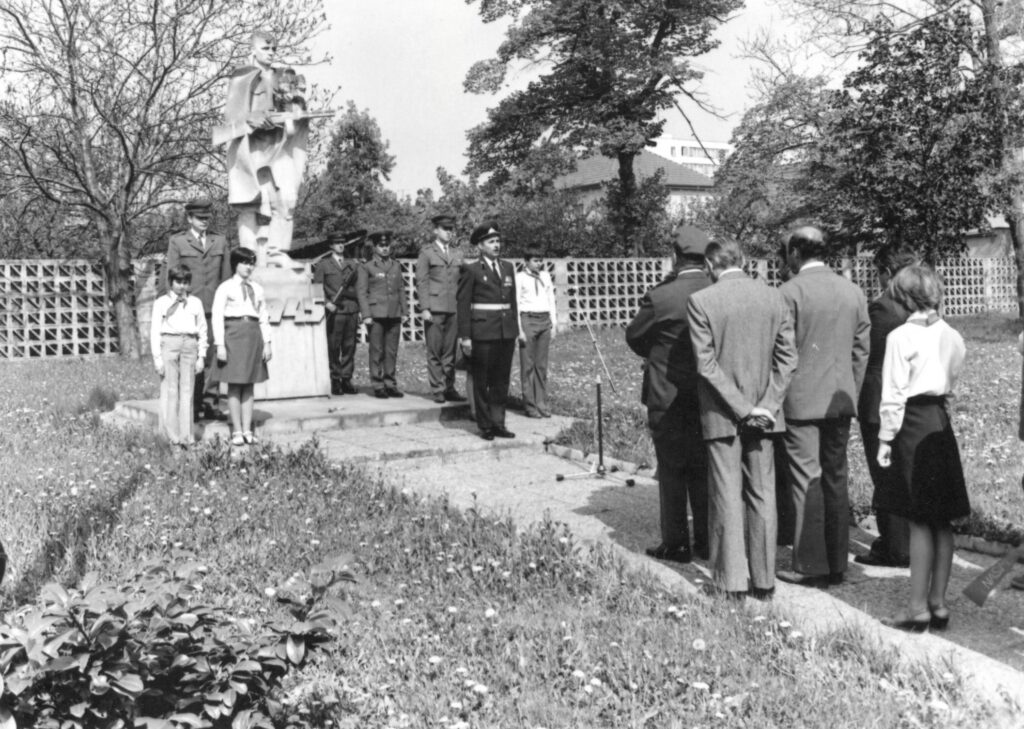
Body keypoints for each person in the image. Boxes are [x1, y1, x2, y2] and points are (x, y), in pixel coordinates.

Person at [687, 240, 797, 599]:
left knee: (725, 493)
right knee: (763, 493)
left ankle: (731, 582)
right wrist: (767, 406)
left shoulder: (701, 301)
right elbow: (788, 360)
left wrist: (743, 407)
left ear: (709, 265)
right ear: (744, 261)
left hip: (722, 414)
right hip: (766, 416)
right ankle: (764, 581)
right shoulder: (774, 297)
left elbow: (705, 365)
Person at [777, 226, 870, 588]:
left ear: (795, 253)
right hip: (840, 400)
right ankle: (836, 563)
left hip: (800, 402)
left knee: (806, 480)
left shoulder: (788, 292)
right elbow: (861, 351)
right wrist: (850, 393)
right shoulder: (853, 291)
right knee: (835, 478)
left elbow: (782, 352)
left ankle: (811, 565)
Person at [877, 266, 969, 630]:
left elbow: (893, 393)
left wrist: (886, 438)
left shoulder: (900, 337)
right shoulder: (952, 335)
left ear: (903, 298)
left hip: (912, 424)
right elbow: (953, 381)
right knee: (941, 519)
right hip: (940, 424)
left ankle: (917, 608)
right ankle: (938, 603)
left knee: (918, 519)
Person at [626, 225, 712, 563]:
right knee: (704, 469)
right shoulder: (716, 288)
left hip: (667, 394)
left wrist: (659, 350)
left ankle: (676, 543)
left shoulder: (662, 296)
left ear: (675, 256)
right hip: (708, 395)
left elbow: (635, 336)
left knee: (672, 470)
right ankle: (706, 539)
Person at [217, 31, 309, 260]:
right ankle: (249, 258)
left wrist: (296, 108)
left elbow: (297, 106)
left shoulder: (284, 76)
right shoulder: (242, 77)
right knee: (250, 204)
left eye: (273, 49)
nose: (271, 53)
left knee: (287, 200)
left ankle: (278, 254)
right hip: (252, 148)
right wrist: (251, 118)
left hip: (280, 145)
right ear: (253, 50)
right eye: (265, 48)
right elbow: (230, 118)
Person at [855, 247, 918, 568]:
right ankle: (905, 541)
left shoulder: (882, 308)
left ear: (887, 272)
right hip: (911, 397)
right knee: (904, 472)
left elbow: (867, 355)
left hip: (879, 400)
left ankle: (895, 547)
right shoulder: (920, 306)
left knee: (884, 474)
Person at [163, 198, 230, 421]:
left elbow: (226, 277)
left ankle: (210, 403)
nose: (204, 221)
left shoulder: (219, 241)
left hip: (213, 309)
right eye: (199, 218)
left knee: (212, 358)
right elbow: (172, 276)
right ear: (189, 218)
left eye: (206, 218)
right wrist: (175, 307)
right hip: (188, 309)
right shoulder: (178, 242)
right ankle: (191, 405)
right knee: (190, 358)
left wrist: (226, 306)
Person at [457, 223, 519, 441]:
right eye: (491, 242)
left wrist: (515, 330)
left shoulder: (508, 267)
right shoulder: (471, 269)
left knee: (501, 381)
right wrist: (465, 337)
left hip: (505, 333)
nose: (496, 245)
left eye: (498, 241)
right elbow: (463, 304)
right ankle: (485, 426)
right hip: (482, 332)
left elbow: (512, 302)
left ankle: (498, 423)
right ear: (480, 246)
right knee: (482, 381)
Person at [211, 247, 272, 447]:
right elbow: (217, 317)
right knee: (235, 384)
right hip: (233, 336)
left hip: (253, 336)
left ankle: (247, 430)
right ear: (235, 264)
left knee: (249, 384)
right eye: (245, 263)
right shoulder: (225, 287)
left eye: (251, 263)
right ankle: (236, 430)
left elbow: (263, 316)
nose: (249, 267)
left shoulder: (258, 288)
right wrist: (220, 345)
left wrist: (267, 343)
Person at [150, 265, 208, 448]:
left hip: (190, 344)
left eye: (185, 282)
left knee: (187, 390)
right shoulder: (161, 303)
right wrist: (157, 359)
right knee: (170, 390)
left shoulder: (195, 303)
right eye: (178, 282)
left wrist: (201, 356)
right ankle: (171, 437)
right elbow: (154, 331)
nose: (182, 286)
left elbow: (203, 330)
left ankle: (187, 437)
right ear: (171, 282)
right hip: (169, 343)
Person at [416, 213, 467, 404]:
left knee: (450, 351)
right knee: (435, 350)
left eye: (451, 229)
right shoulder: (427, 253)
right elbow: (422, 282)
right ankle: (437, 388)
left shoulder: (457, 254)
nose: (449, 232)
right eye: (445, 229)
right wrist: (425, 308)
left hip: (453, 307)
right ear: (435, 230)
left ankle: (449, 387)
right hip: (434, 308)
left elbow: (463, 281)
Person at [313, 229, 366, 395]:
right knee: (334, 346)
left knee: (349, 346)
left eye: (342, 242)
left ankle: (346, 379)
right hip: (334, 311)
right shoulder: (323, 265)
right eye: (337, 243)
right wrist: (326, 303)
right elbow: (316, 289)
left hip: (351, 310)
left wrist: (360, 310)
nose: (341, 245)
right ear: (331, 246)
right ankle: (335, 379)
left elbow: (359, 289)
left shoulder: (353, 265)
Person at [357, 231, 407, 399]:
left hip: (394, 313)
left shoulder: (396, 265)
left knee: (391, 351)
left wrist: (405, 311)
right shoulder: (367, 266)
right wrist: (366, 315)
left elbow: (401, 289)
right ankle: (378, 385)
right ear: (375, 248)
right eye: (381, 246)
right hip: (376, 314)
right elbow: (362, 292)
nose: (385, 248)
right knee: (377, 350)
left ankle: (390, 383)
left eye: (387, 245)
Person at [517, 246, 558, 419]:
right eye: (535, 260)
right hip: (528, 319)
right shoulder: (519, 278)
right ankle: (530, 404)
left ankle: (541, 403)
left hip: (544, 320)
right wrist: (519, 330)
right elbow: (516, 303)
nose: (539, 263)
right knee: (528, 365)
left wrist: (553, 323)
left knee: (541, 365)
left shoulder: (545, 276)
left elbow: (551, 299)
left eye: (541, 260)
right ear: (526, 261)